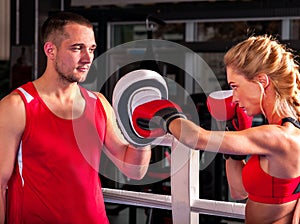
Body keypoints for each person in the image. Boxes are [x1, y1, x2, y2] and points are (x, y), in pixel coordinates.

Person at [0, 12, 151, 224]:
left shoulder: (98, 103)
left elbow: (133, 170)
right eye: (77, 48)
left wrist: (144, 134)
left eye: (91, 49)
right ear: (50, 50)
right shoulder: (17, 106)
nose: (88, 58)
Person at [132, 35, 300, 223]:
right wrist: (233, 129)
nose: (234, 98)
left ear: (262, 81)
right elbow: (238, 191)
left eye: (235, 87)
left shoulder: (279, 137)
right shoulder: (277, 133)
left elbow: (197, 138)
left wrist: (166, 115)